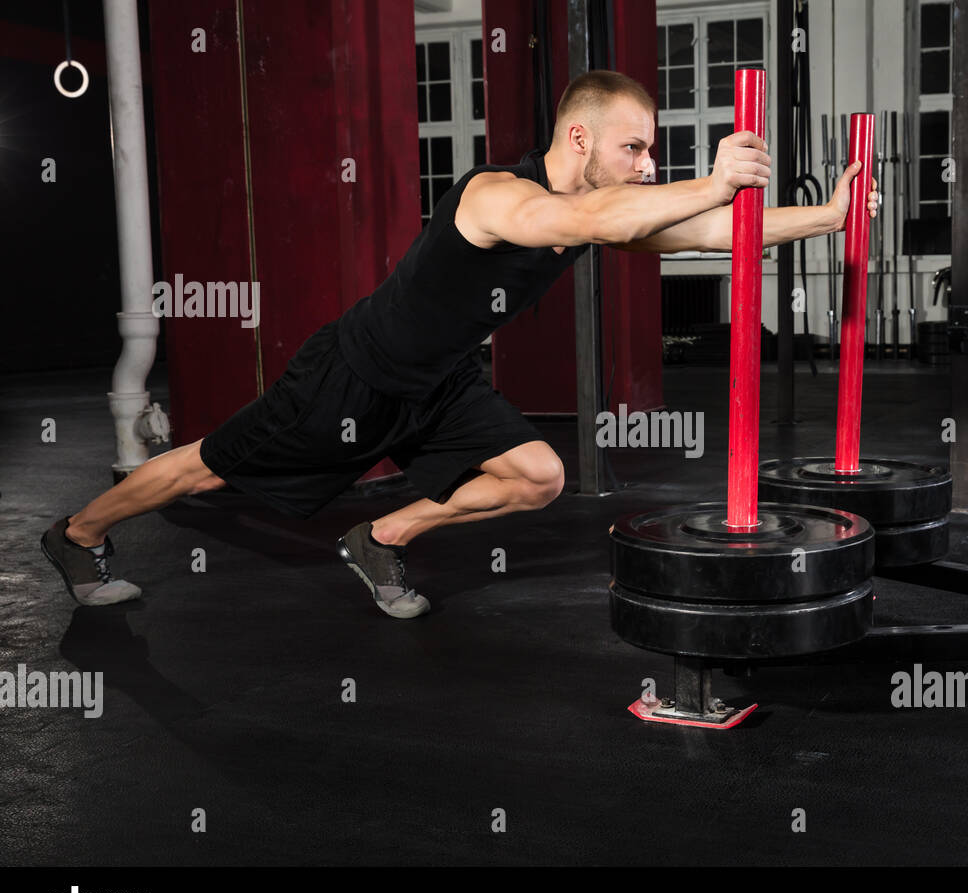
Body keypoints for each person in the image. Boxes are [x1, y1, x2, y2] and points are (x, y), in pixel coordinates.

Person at [42, 69, 878, 619]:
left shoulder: (601, 209)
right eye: (634, 147)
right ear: (580, 139)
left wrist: (828, 217)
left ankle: (381, 539)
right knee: (205, 466)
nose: (646, 165)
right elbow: (591, 217)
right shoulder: (499, 197)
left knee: (536, 477)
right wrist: (717, 175)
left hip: (440, 383)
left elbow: (701, 232)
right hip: (351, 375)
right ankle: (76, 533)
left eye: (651, 150)